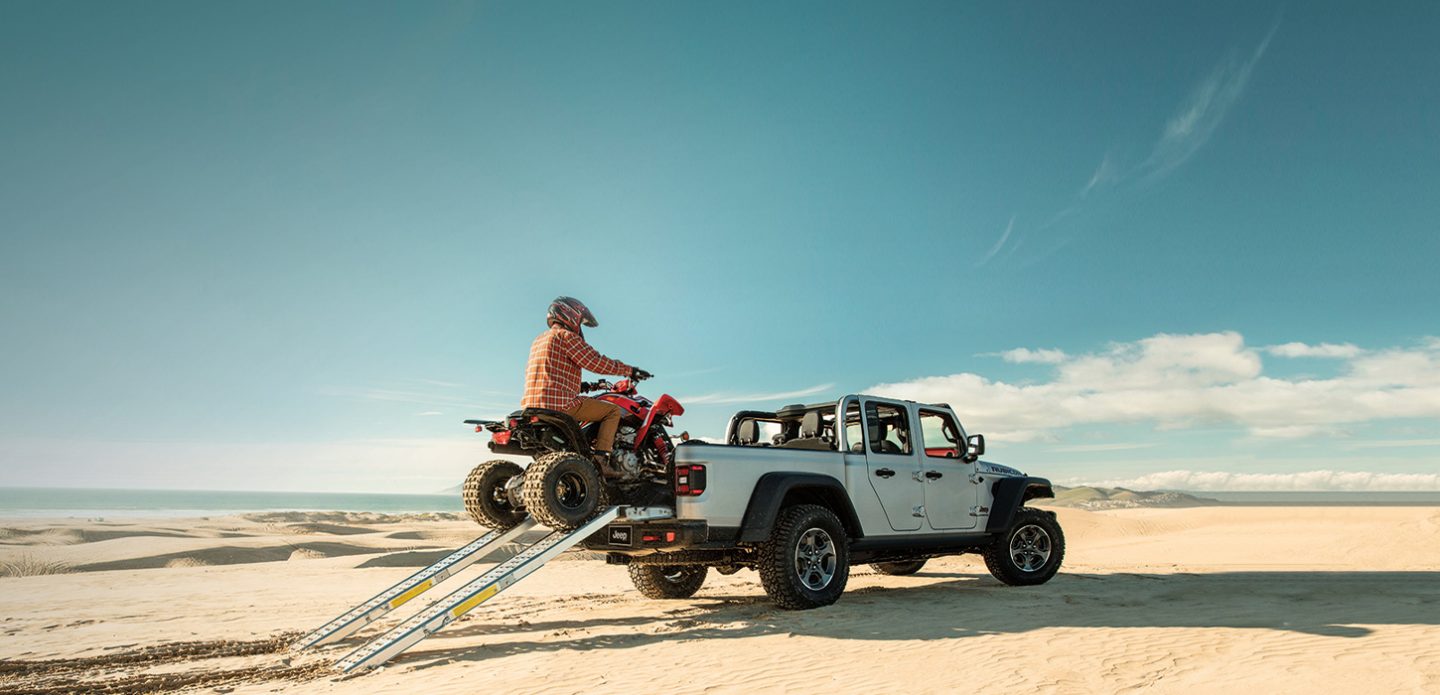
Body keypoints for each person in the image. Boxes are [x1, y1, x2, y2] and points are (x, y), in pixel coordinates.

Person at [522, 296, 651, 470]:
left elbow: (552, 372)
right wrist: (629, 370)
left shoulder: (539, 340)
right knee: (612, 411)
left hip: (532, 405)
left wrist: (587, 386)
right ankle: (601, 460)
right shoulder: (566, 336)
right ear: (572, 314)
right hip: (560, 405)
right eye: (581, 322)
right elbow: (596, 362)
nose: (580, 327)